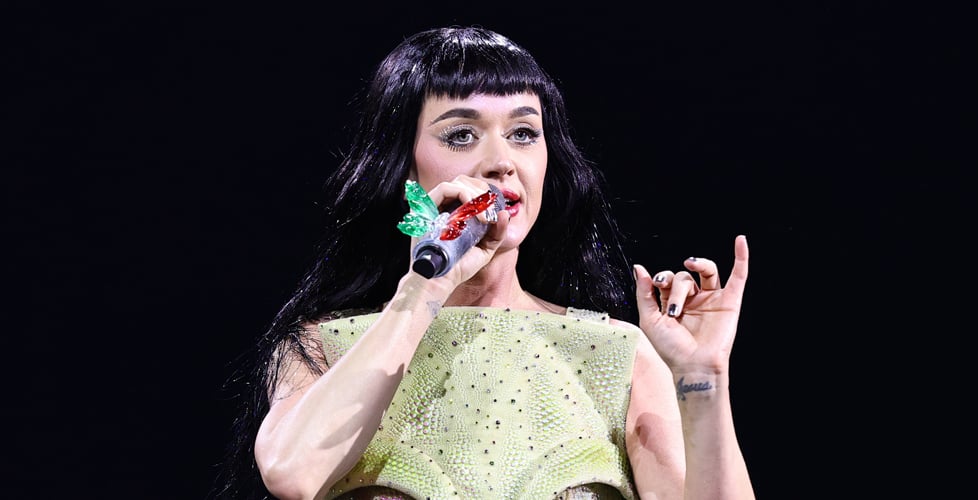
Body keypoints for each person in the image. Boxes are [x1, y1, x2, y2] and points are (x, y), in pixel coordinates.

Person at [214, 26, 755, 500]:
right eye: (461, 135)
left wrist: (703, 378)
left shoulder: (614, 354)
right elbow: (292, 475)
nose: (501, 162)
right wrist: (423, 289)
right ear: (404, 170)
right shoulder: (323, 347)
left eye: (523, 134)